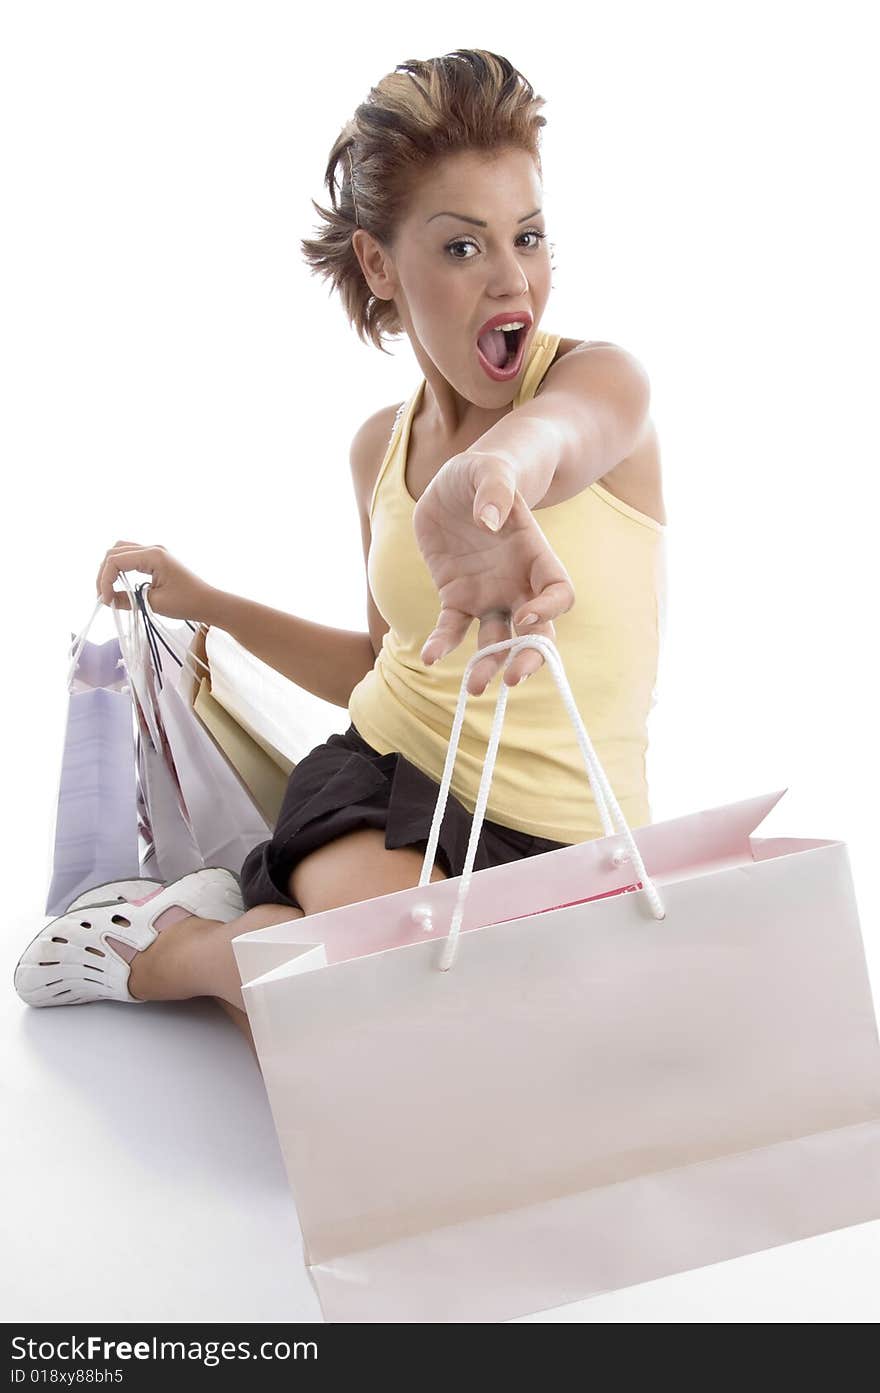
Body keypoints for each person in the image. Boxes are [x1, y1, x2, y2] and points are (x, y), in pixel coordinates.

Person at [14, 49, 667, 1060]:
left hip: (576, 842)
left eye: (527, 237)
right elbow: (381, 661)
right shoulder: (380, 449)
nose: (512, 278)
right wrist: (209, 601)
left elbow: (562, 434)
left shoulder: (599, 384)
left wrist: (488, 475)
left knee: (433, 1042)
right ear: (378, 266)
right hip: (387, 788)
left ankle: (248, 939)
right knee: (382, 1026)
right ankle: (160, 947)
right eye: (461, 248)